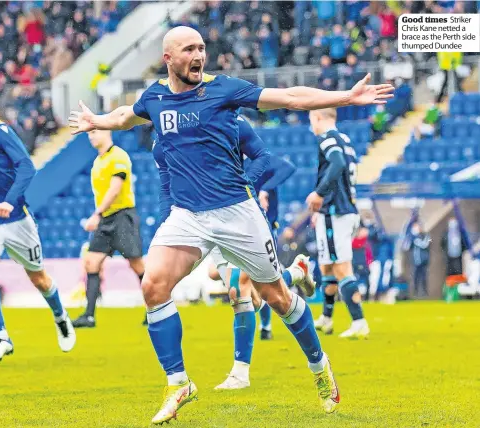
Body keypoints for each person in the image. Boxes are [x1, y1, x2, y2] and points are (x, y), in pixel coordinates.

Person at [68, 26, 393, 424]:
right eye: (189, 49)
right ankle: (178, 382)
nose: (198, 55)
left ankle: (319, 365)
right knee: (153, 285)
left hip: (237, 213)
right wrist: (97, 120)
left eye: (202, 47)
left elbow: (290, 98)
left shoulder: (223, 89)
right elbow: (125, 116)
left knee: (277, 298)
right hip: (187, 216)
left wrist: (345, 97)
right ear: (168, 57)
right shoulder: (155, 96)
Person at [157, 115, 299, 391]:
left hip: (251, 222)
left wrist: (262, 187)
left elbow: (281, 165)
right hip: (216, 221)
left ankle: (241, 371)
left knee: (240, 289)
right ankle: (295, 274)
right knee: (247, 290)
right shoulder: (190, 152)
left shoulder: (245, 149)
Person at [0, 84, 75, 363]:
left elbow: (26, 167)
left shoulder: (0, 132)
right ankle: (2, 337)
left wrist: (9, 200)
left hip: (17, 219)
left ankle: (60, 315)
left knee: (39, 278)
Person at [72, 129, 146, 328]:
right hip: (106, 219)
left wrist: (96, 214)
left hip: (122, 216)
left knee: (137, 264)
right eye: (89, 134)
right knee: (91, 262)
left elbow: (116, 188)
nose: (91, 136)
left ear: (107, 132)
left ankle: (155, 308)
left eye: (95, 132)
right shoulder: (98, 161)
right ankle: (89, 316)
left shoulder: (119, 156)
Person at [308, 108, 370, 339]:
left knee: (341, 266)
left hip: (337, 212)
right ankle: (326, 317)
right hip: (341, 209)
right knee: (327, 266)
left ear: (318, 117)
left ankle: (359, 321)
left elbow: (337, 164)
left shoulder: (327, 138)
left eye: (311, 119)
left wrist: (319, 194)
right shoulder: (344, 139)